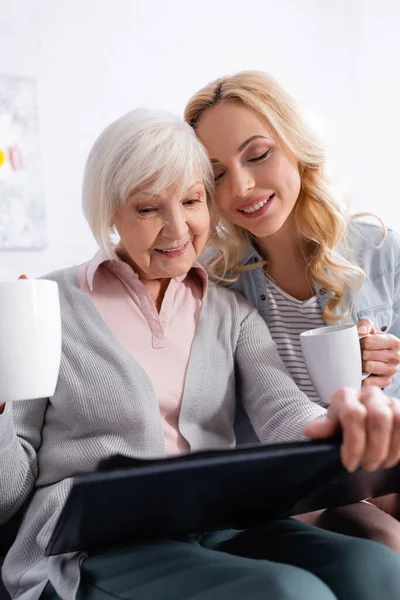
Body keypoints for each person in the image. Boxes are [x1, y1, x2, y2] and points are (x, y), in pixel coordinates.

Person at [2, 109, 400, 600]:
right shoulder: (48, 306)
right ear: (110, 212)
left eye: (191, 201)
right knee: (287, 592)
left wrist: (343, 417)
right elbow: (6, 497)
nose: (177, 229)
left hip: (219, 526)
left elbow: (283, 411)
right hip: (93, 548)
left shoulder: (230, 312)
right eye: (148, 209)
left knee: (376, 567)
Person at [184, 70, 400, 546]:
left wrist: (386, 373)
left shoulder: (384, 254)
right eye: (217, 173)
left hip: (376, 476)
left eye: (258, 155)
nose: (241, 186)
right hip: (286, 495)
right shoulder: (213, 283)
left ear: (297, 146)